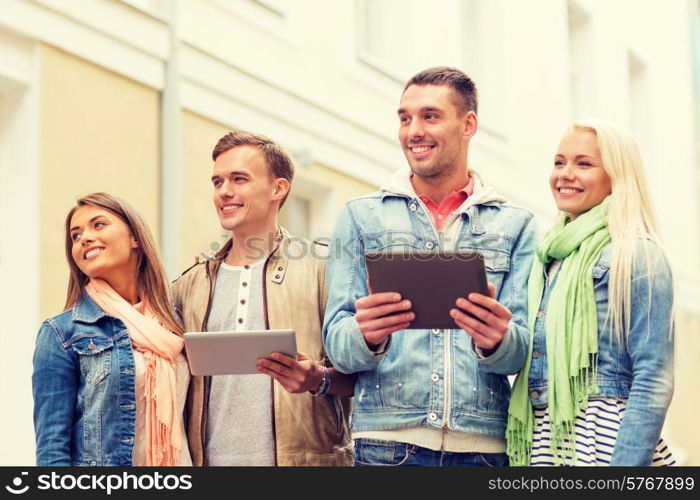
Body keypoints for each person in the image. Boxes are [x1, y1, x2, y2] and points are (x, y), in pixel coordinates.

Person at [322, 66, 536, 466]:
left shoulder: (516, 225)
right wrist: (366, 335)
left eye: (430, 116)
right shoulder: (360, 217)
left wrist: (495, 339)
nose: (412, 131)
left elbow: (522, 351)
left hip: (484, 450)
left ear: (468, 124)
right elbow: (337, 344)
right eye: (404, 118)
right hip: (385, 447)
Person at [172, 130, 354, 466]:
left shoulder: (324, 269)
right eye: (217, 182)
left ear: (279, 188)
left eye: (239, 179)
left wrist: (318, 380)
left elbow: (371, 375)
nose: (224, 192)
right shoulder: (188, 286)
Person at [507, 119, 675, 466]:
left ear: (617, 175)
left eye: (584, 164)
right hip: (542, 442)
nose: (565, 173)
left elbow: (653, 377)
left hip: (602, 444)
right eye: (559, 162)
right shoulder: (546, 256)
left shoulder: (637, 253)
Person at [32, 192, 191, 466]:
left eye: (98, 225)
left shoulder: (176, 322)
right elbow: (51, 450)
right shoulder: (61, 333)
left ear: (135, 238)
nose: (84, 238)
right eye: (75, 235)